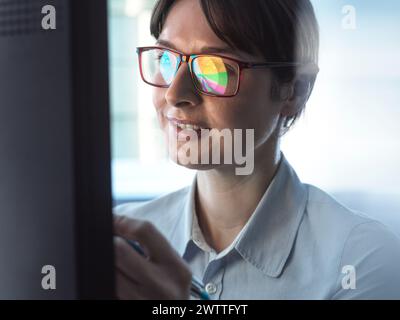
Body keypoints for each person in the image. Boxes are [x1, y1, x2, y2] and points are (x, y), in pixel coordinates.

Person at [113, 0, 400, 299]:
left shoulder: (361, 260)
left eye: (215, 69)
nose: (174, 94)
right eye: (167, 59)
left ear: (296, 90)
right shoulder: (122, 241)